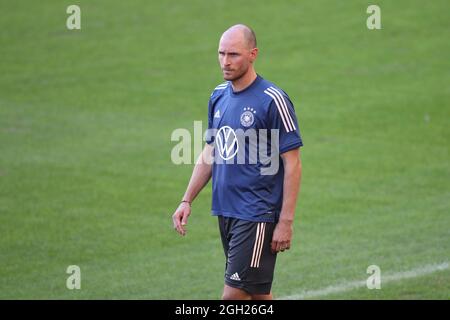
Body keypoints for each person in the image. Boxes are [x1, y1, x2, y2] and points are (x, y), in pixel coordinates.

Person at [172, 24, 303, 300]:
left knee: (232, 297)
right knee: (256, 295)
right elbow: (211, 151)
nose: (225, 61)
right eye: (221, 54)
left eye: (233, 54)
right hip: (226, 211)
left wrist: (286, 222)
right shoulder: (218, 95)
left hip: (256, 213)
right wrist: (187, 200)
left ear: (253, 54)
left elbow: (293, 163)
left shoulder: (273, 100)